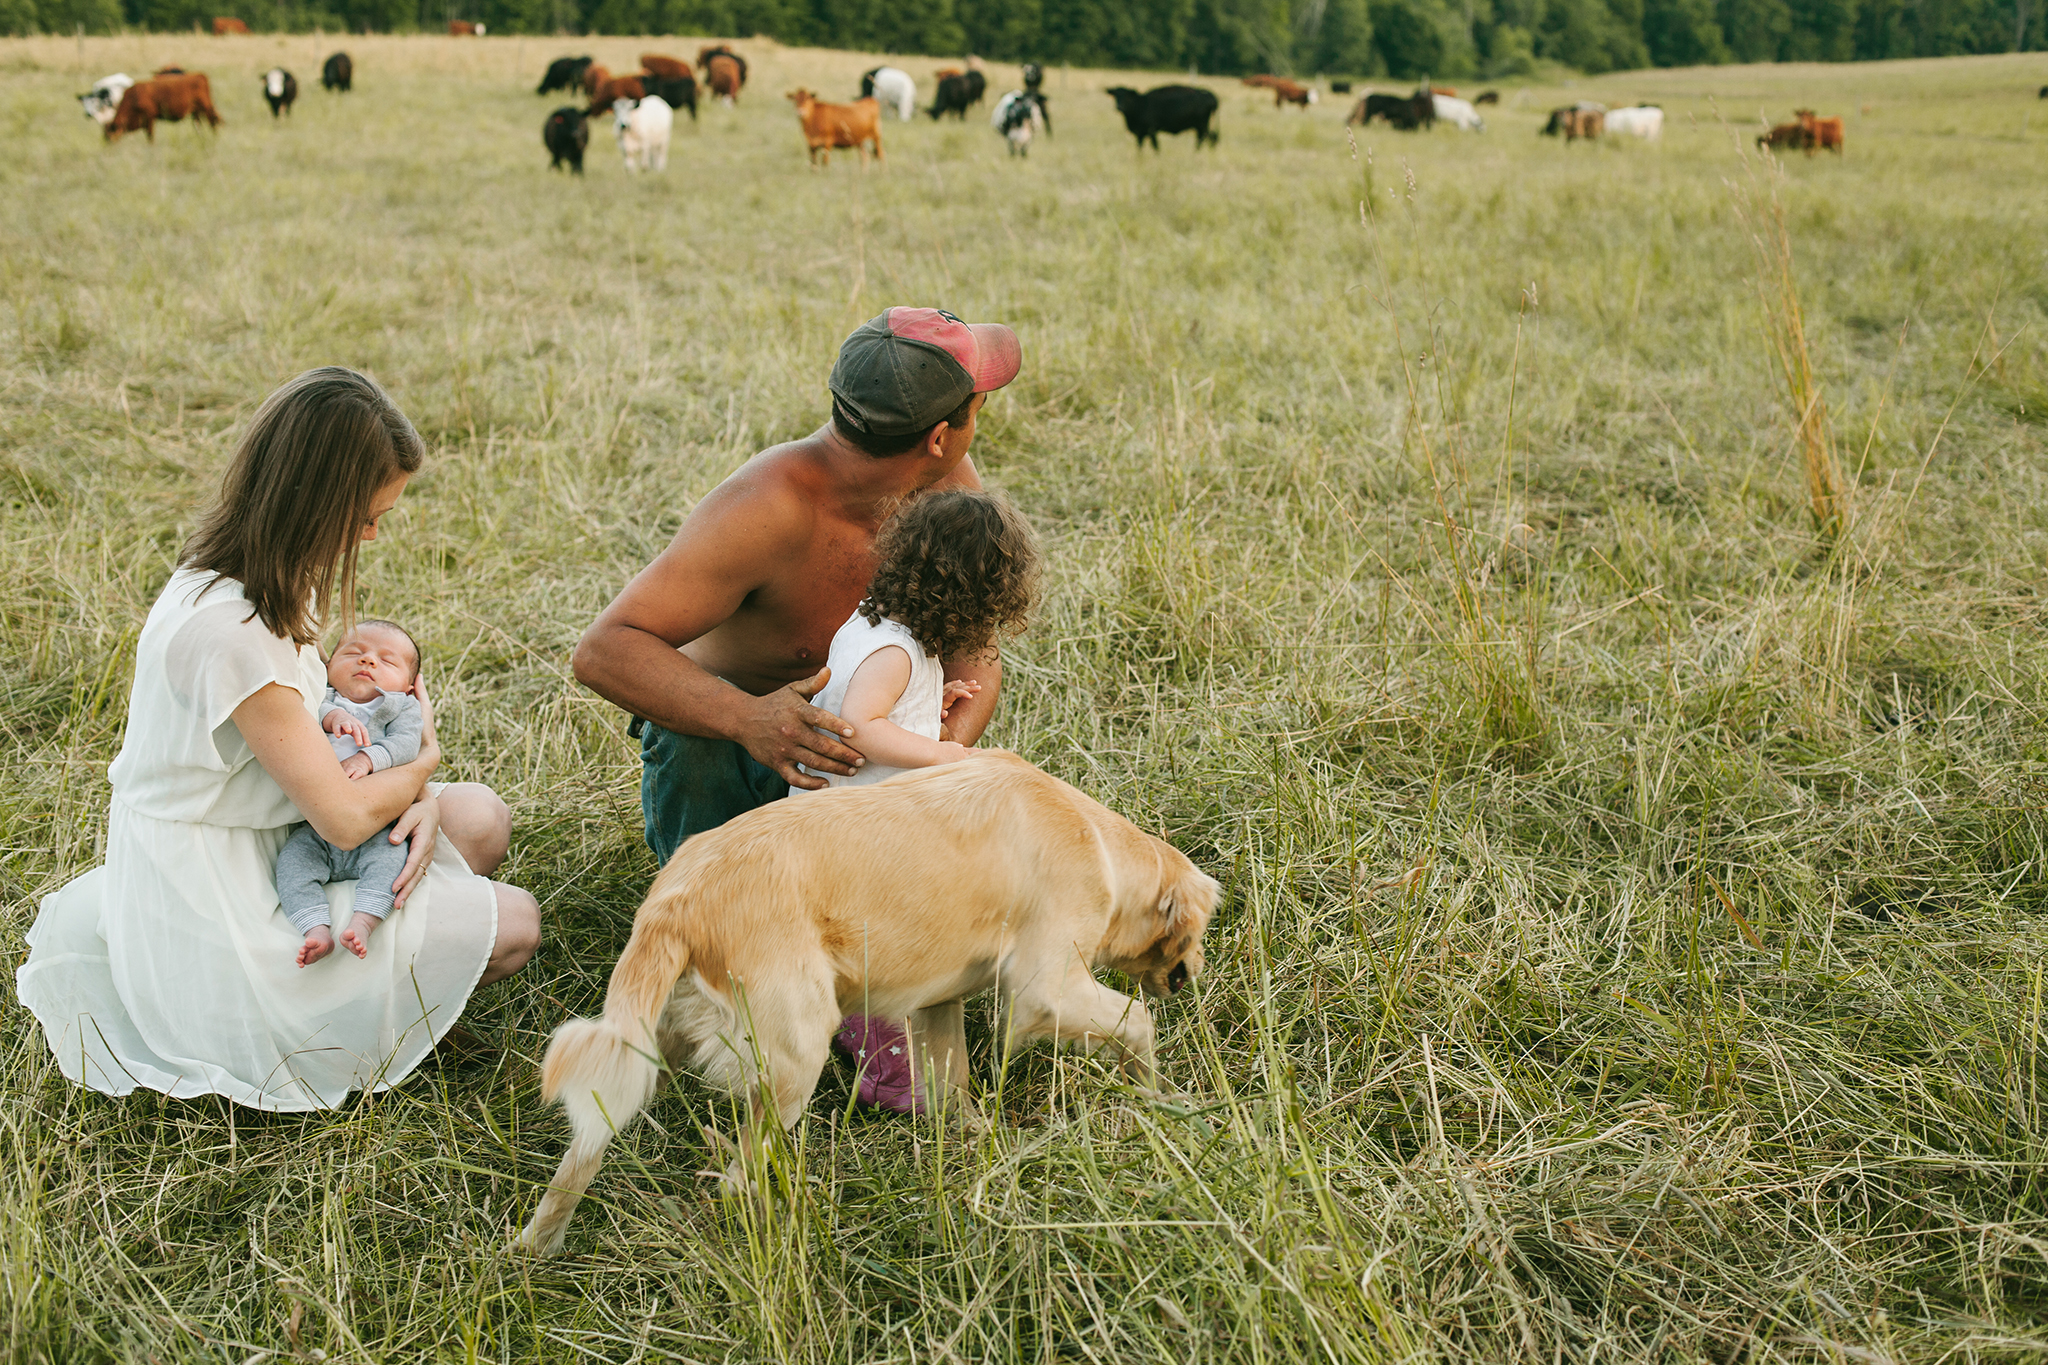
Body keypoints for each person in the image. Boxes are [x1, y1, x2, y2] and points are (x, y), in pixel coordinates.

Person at [16, 367, 541, 1112]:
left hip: (275, 830)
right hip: (216, 901)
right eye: (365, 515)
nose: (371, 534)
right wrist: (422, 763)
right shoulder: (227, 631)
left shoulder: (255, 576)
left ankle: (395, 971)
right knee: (516, 922)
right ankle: (351, 1012)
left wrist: (420, 799)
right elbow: (343, 817)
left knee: (479, 817)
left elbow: (325, 758)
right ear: (314, 500)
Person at [574, 306, 1022, 1111]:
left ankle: (859, 972)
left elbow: (975, 653)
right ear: (938, 434)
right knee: (694, 741)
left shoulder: (946, 488)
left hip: (868, 782)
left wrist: (932, 744)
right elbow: (605, 648)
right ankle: (723, 955)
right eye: (977, 408)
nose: (978, 423)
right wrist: (750, 719)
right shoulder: (765, 506)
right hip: (746, 764)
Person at [793, 488, 1039, 794]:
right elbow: (859, 727)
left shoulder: (870, 619)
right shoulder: (894, 654)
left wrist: (920, 702)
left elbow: (872, 700)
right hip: (851, 816)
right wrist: (939, 753)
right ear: (967, 603)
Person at [275, 618, 428, 966]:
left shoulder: (402, 707)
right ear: (327, 667)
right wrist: (332, 717)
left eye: (386, 661)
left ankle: (363, 921)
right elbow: (308, 710)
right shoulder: (321, 696)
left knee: (392, 863)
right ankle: (314, 928)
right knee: (291, 866)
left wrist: (368, 758)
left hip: (378, 826)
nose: (368, 661)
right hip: (314, 828)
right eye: (354, 653)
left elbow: (407, 745)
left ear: (407, 686)